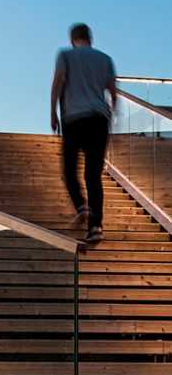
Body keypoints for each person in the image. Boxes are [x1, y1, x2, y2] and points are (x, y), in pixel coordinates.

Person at [50, 23, 117, 244]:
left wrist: (53, 112)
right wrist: (112, 118)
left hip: (74, 119)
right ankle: (96, 226)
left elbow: (58, 82)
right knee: (93, 175)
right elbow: (113, 93)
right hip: (99, 119)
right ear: (90, 38)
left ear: (72, 39)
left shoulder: (66, 56)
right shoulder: (105, 59)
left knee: (69, 169)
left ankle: (81, 205)